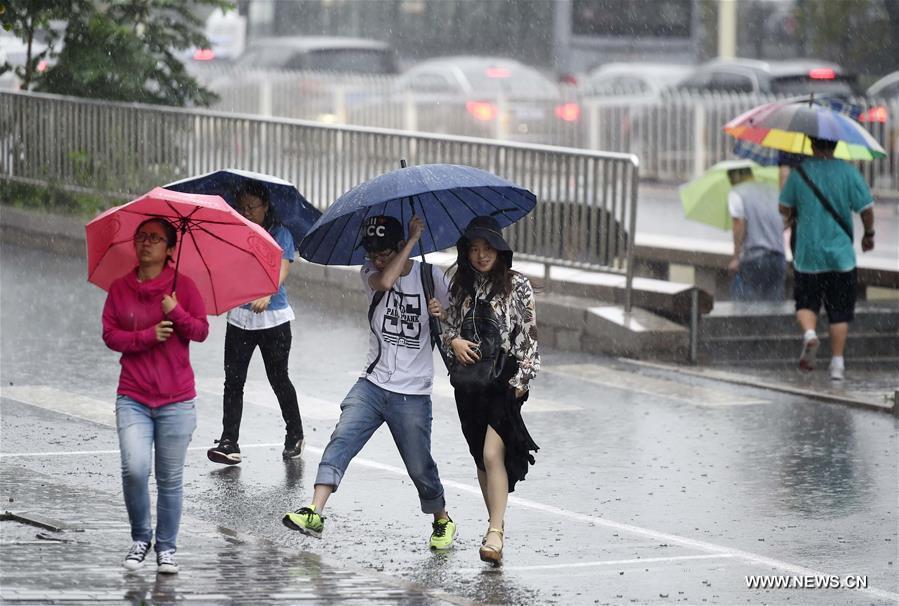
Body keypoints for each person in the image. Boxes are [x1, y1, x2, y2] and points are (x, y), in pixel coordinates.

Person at [282, 215, 457, 550]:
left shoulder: (430, 277)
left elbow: (460, 316)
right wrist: (409, 242)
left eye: (383, 253)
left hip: (412, 392)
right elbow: (386, 282)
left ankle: (442, 520)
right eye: (372, 253)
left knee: (420, 466)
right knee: (342, 437)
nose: (376, 259)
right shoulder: (370, 273)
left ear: (396, 248)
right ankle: (315, 512)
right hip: (373, 383)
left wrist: (442, 312)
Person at [102, 218, 209, 574]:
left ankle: (166, 548)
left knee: (169, 479)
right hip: (133, 395)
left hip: (176, 401)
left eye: (155, 238)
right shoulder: (120, 289)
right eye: (141, 237)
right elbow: (111, 335)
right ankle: (140, 538)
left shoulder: (184, 288)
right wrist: (147, 335)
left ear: (169, 249)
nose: (145, 243)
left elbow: (201, 331)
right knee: (134, 469)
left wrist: (175, 311)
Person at [435, 216, 540, 566]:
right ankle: (496, 525)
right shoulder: (461, 287)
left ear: (499, 249)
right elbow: (451, 333)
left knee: (494, 453)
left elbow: (529, 336)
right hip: (469, 384)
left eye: (487, 248)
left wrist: (522, 382)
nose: (480, 256)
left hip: (504, 381)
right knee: (482, 457)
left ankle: (494, 531)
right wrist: (451, 335)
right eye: (474, 250)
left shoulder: (518, 285)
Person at [207, 182, 305, 465]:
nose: (247, 212)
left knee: (278, 378)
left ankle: (295, 433)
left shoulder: (280, 233)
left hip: (273, 317)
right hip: (239, 316)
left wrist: (267, 291)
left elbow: (284, 265)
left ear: (265, 207)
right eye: (243, 207)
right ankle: (229, 442)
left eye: (252, 207)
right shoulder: (235, 233)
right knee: (233, 381)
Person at [779, 136, 876, 381]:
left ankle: (810, 334)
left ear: (811, 144)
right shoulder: (848, 172)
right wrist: (868, 234)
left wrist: (795, 212)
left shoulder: (799, 173)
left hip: (808, 256)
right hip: (841, 257)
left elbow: (784, 207)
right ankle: (837, 365)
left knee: (805, 304)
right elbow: (866, 208)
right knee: (840, 312)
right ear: (836, 144)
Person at [726, 166, 786, 302]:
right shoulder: (772, 191)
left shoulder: (737, 192)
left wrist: (736, 257)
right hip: (778, 259)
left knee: (746, 310)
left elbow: (739, 223)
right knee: (774, 310)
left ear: (734, 177)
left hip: (754, 259)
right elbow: (785, 219)